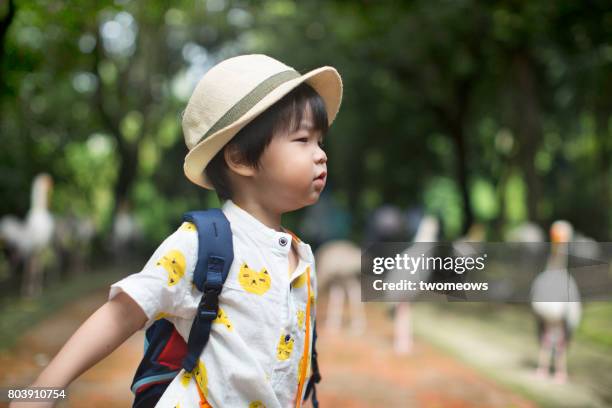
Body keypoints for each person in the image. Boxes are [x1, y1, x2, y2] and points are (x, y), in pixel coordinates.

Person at [10, 54, 342, 408]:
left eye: (320, 141)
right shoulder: (205, 243)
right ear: (241, 159)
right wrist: (39, 394)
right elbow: (123, 312)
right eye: (303, 139)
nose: (320, 154)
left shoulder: (300, 254)